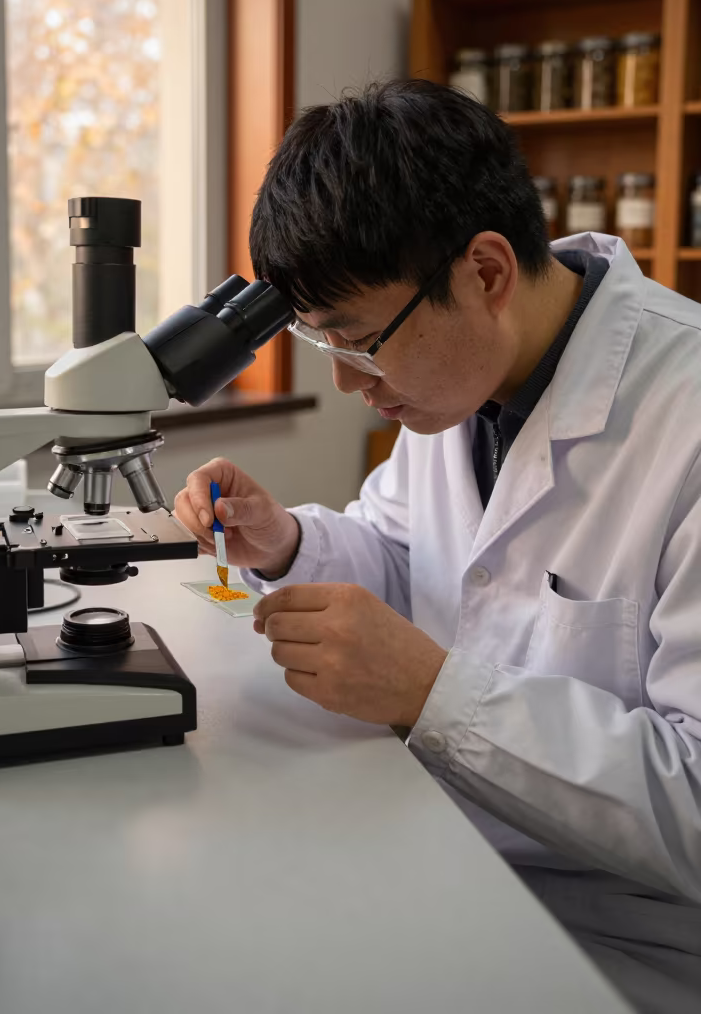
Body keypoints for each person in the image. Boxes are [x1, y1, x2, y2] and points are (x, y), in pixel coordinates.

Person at [174, 79, 701, 1014]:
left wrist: (435, 693)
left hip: (631, 932)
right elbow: (405, 556)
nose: (350, 384)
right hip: (452, 847)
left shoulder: (685, 419)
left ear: (486, 273)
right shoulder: (457, 385)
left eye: (360, 342)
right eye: (324, 345)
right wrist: (286, 543)